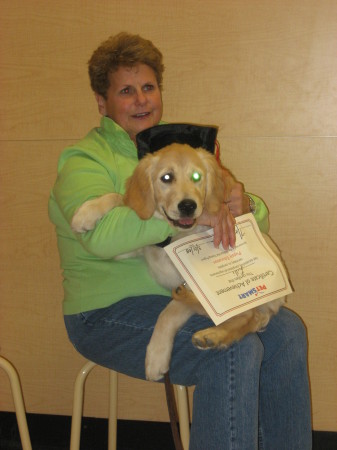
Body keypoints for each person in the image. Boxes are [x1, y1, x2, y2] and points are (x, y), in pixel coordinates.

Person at [48, 32, 312, 449]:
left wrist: (244, 206)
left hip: (187, 293)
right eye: (126, 91)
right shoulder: (85, 160)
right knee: (234, 352)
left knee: (287, 332)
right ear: (102, 102)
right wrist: (178, 217)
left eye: (149, 88)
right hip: (104, 313)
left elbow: (237, 219)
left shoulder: (181, 151)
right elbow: (101, 238)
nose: (141, 100)